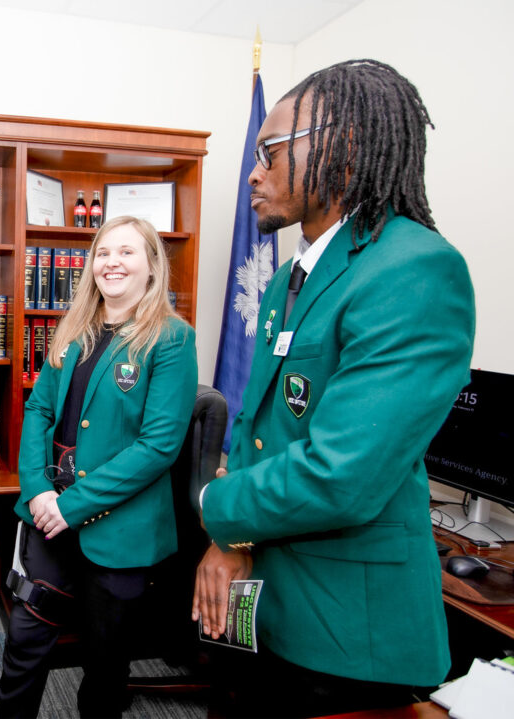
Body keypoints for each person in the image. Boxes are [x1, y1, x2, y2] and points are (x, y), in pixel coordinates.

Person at [192, 59, 475, 717]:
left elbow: (340, 474)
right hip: (263, 598)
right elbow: (261, 434)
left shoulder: (413, 268)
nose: (253, 174)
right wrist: (229, 541)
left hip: (344, 635)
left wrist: (216, 507)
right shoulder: (290, 276)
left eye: (269, 151)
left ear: (343, 149)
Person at [0, 216, 198, 719]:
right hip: (49, 516)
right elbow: (39, 410)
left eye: (127, 252)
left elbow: (159, 446)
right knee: (24, 638)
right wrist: (39, 488)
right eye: (103, 253)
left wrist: (72, 505)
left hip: (119, 528)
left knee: (106, 662)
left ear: (152, 266)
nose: (112, 263)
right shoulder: (75, 328)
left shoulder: (171, 339)